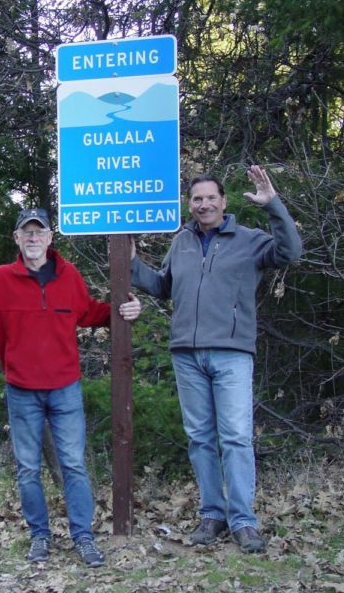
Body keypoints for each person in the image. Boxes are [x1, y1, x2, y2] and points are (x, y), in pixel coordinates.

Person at [0, 207, 142, 566]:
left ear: (51, 238)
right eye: (27, 232)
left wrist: (124, 311)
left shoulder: (70, 278)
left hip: (65, 388)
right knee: (27, 469)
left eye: (40, 232)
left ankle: (83, 537)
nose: (34, 238)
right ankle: (39, 536)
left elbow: (89, 312)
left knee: (73, 465)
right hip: (21, 390)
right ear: (17, 239)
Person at [130, 165, 302, 553]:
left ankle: (243, 522)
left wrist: (273, 204)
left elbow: (291, 252)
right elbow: (162, 287)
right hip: (187, 356)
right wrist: (132, 263)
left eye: (211, 197)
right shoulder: (182, 243)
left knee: (237, 438)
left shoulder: (250, 240)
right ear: (189, 205)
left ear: (223, 202)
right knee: (200, 439)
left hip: (231, 354)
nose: (204, 204)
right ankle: (213, 515)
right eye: (197, 198)